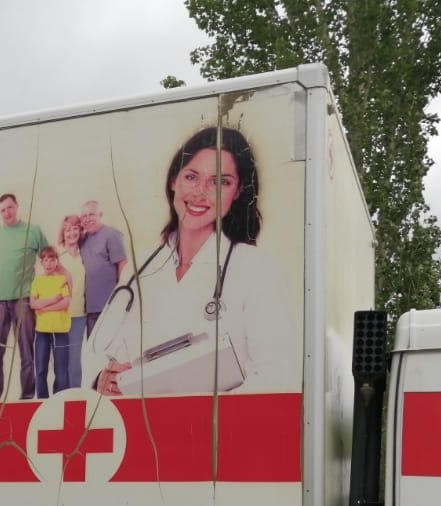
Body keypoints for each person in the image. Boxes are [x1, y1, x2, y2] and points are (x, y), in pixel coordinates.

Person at [83, 127, 291, 396]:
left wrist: (201, 416)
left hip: (213, 433)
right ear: (173, 181)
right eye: (191, 177)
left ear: (238, 191)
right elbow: (94, 352)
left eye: (221, 182)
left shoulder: (256, 269)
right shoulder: (141, 268)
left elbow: (275, 373)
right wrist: (102, 377)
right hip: (137, 426)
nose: (201, 192)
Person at [0, 193, 48, 401]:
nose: (7, 212)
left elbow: (49, 259)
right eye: (2, 209)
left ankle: (27, 397)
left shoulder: (34, 231)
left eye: (10, 207)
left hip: (24, 299)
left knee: (26, 352)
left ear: (17, 207)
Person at [29, 246, 71, 398]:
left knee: (61, 371)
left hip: (60, 331)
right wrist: (53, 300)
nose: (48, 263)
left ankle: (60, 400)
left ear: (56, 262)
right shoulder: (37, 282)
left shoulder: (62, 280)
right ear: (41, 262)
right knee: (40, 369)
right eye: (45, 260)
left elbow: (66, 302)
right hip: (42, 332)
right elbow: (33, 304)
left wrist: (44, 307)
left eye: (52, 259)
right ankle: (42, 399)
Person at [57, 213, 89, 389]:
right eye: (67, 229)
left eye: (75, 228)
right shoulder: (58, 256)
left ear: (80, 231)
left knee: (75, 360)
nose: (71, 233)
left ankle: (74, 395)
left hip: (79, 315)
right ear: (63, 233)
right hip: (60, 315)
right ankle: (61, 397)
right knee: (61, 360)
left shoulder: (84, 255)